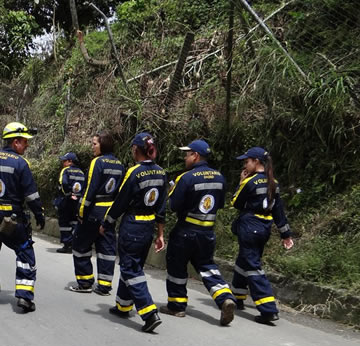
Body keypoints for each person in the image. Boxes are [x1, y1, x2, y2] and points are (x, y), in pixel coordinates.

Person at [160, 139, 237, 326]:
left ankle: (177, 306)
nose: (185, 158)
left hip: (186, 231)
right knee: (207, 266)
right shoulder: (220, 177)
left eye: (187, 154)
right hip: (207, 232)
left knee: (177, 266)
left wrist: (171, 192)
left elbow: (173, 206)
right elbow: (219, 204)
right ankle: (224, 297)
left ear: (195, 156)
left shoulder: (186, 178)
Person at [0, 122, 45, 313]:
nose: (27, 145)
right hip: (14, 220)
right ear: (15, 142)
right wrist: (39, 214)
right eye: (24, 142)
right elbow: (31, 195)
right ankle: (24, 297)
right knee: (25, 253)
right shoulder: (21, 164)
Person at [102, 132, 167, 333]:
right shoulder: (162, 173)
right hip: (148, 227)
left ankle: (149, 313)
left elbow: (121, 202)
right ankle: (123, 305)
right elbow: (162, 208)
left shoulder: (134, 173)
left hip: (133, 225)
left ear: (135, 149)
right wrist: (161, 234)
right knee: (132, 264)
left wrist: (107, 222)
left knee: (131, 269)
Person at [230, 146, 294, 325]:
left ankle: (268, 310)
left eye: (246, 162)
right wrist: (285, 234)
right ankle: (237, 296)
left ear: (256, 162)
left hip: (250, 227)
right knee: (245, 259)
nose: (244, 165)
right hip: (264, 228)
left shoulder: (250, 182)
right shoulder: (273, 182)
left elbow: (236, 202)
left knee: (252, 265)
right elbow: (278, 211)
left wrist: (241, 182)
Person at [69, 131, 124, 295]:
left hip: (94, 211)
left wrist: (80, 212)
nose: (92, 147)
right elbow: (119, 192)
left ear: (103, 144)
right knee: (106, 248)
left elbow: (89, 190)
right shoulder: (120, 164)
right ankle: (104, 285)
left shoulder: (97, 162)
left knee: (80, 244)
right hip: (109, 212)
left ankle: (85, 282)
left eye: (94, 144)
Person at [54, 152, 85, 254]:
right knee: (75, 221)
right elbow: (84, 186)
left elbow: (64, 183)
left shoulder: (65, 171)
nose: (63, 163)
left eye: (64, 161)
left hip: (66, 201)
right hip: (77, 201)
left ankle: (67, 245)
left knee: (64, 222)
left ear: (70, 161)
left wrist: (68, 194)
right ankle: (74, 243)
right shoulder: (81, 172)